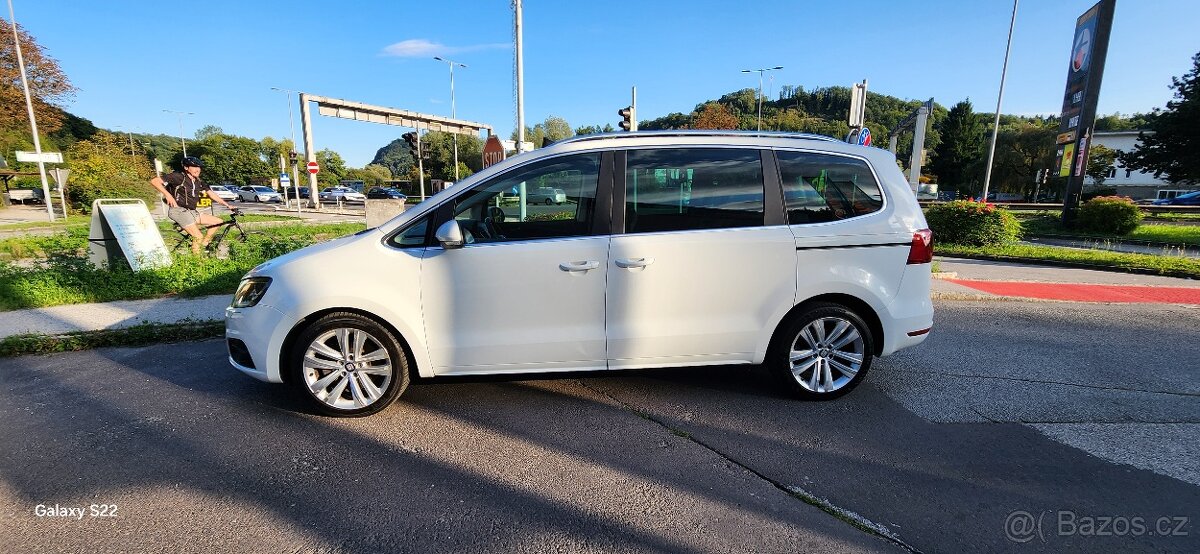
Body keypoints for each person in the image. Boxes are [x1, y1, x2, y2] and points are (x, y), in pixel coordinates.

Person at [149, 156, 235, 254]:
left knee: (218, 222)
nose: (197, 169)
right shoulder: (179, 177)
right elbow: (154, 181)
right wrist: (168, 195)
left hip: (192, 212)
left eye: (199, 167)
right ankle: (197, 263)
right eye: (194, 166)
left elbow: (211, 194)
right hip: (179, 211)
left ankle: (204, 243)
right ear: (186, 167)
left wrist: (228, 205)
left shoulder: (198, 181)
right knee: (198, 236)